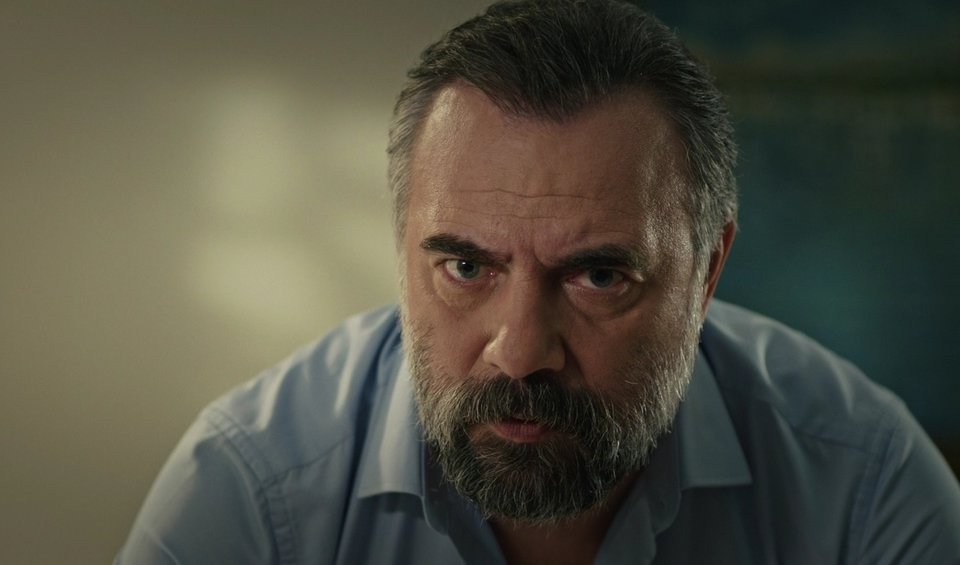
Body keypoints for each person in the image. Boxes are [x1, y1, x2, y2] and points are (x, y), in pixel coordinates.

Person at [116, 1, 960, 563]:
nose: (520, 353)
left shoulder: (865, 488)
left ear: (707, 272)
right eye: (466, 267)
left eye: (598, 275)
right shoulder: (251, 490)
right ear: (402, 253)